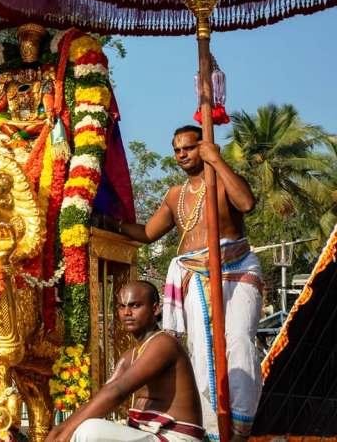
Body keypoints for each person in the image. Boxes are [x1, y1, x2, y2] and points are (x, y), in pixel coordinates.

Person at [109, 125, 261, 441]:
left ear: (203, 147)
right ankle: (214, 429)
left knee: (238, 341)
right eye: (177, 149)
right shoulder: (175, 196)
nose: (181, 155)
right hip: (193, 274)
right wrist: (111, 224)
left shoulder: (222, 181)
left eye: (189, 148)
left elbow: (246, 203)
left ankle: (243, 425)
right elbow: (149, 233)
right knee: (201, 352)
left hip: (236, 268)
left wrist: (216, 161)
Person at [47, 281, 204, 442]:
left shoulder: (164, 343)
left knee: (89, 431)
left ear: (155, 308)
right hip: (145, 433)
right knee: (85, 425)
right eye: (122, 306)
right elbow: (104, 394)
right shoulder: (129, 355)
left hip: (173, 437)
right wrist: (59, 429)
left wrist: (65, 434)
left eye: (135, 306)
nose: (127, 312)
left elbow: (117, 392)